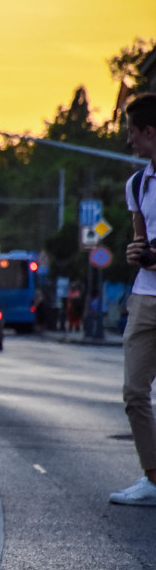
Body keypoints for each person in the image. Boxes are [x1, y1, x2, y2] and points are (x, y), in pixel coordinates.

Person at [112, 91, 156, 506]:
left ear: (149, 131)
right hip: (145, 297)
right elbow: (140, 238)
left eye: (132, 133)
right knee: (134, 392)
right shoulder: (138, 182)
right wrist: (135, 251)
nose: (130, 142)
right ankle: (153, 477)